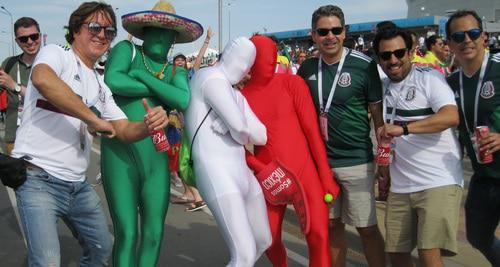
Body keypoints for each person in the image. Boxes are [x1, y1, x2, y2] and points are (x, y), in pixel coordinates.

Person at [10, 2, 169, 266]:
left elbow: (124, 130)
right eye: (95, 27)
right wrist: (92, 118)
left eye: (109, 31)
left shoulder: (100, 84)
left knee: (102, 248)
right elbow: (42, 80)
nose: (102, 35)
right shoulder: (57, 54)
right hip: (38, 178)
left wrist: (150, 124)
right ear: (75, 30)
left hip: (77, 186)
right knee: (47, 262)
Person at [102, 0, 202, 265]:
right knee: (127, 232)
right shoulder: (127, 50)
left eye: (166, 32)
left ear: (174, 38)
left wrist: (144, 78)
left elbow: (182, 99)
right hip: (119, 156)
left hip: (156, 161)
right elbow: (113, 79)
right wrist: (161, 90)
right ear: (144, 31)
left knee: (154, 233)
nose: (160, 36)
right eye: (153, 29)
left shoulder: (175, 69)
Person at [297, 5, 387, 267]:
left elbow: (378, 119)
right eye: (323, 31)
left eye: (336, 30)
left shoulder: (364, 65)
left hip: (357, 161)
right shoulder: (307, 68)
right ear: (313, 35)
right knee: (332, 224)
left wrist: (383, 161)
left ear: (344, 32)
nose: (330, 36)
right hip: (321, 165)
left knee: (367, 228)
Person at [242, 35, 340, 267]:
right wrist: (260, 167)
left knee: (318, 235)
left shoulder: (291, 84)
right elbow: (234, 147)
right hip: (269, 176)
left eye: (272, 54)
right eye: (262, 55)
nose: (269, 60)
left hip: (304, 172)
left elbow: (312, 133)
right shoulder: (241, 98)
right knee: (267, 237)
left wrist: (325, 175)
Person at [374, 27, 463, 267]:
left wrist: (405, 129)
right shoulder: (382, 87)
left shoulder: (430, 78)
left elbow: (450, 116)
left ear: (411, 52)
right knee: (397, 253)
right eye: (385, 56)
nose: (393, 60)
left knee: (428, 253)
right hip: (401, 185)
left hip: (438, 180)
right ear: (379, 59)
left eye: (399, 53)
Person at [185, 37, 272, 267]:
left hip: (242, 175)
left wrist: (232, 123)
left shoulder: (236, 95)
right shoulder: (209, 77)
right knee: (243, 255)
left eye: (249, 65)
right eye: (244, 63)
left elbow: (261, 134)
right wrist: (236, 126)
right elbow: (243, 129)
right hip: (217, 174)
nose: (245, 70)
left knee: (263, 240)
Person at [446, 10, 500, 266]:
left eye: (473, 33)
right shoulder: (450, 83)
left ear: (484, 37)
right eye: (458, 36)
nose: (466, 40)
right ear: (450, 44)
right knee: (477, 236)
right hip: (483, 176)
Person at [0, 17, 41, 155]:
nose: (30, 42)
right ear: (17, 42)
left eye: (33, 36)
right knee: (15, 176)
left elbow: (52, 99)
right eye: (23, 39)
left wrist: (14, 86)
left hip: (44, 139)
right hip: (14, 137)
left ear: (40, 36)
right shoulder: (9, 64)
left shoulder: (53, 63)